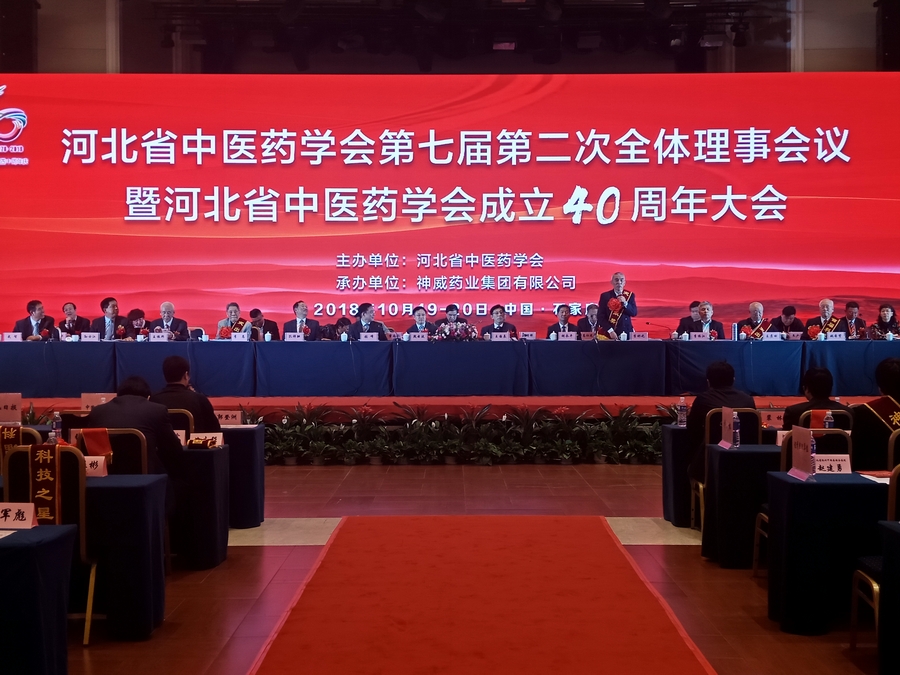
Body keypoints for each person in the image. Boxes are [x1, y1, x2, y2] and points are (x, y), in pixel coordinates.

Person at [83, 376, 183, 510]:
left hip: (104, 478)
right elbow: (174, 449)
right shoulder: (157, 410)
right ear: (148, 397)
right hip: (146, 478)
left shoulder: (98, 411)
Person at [686, 361, 756, 482]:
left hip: (709, 464)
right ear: (733, 379)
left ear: (708, 381)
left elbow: (692, 430)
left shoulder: (703, 400)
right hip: (746, 461)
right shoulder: (748, 400)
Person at [149, 356, 221, 434]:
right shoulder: (199, 399)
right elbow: (214, 430)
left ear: (164, 376)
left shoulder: (153, 400)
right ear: (186, 375)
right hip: (194, 442)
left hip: (163, 442)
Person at [851, 357, 900, 470]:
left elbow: (856, 457)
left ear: (879, 386)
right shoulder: (865, 412)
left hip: (874, 478)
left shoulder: (864, 413)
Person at [782, 367, 851, 430]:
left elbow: (787, 437)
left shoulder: (793, 412)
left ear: (807, 389)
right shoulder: (847, 413)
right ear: (831, 388)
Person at [598, 272, 637, 338]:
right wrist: (610, 331)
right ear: (612, 282)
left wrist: (625, 303)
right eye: (616, 280)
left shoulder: (630, 295)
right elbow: (600, 316)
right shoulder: (605, 296)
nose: (619, 282)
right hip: (611, 332)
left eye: (621, 280)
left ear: (624, 283)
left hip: (626, 331)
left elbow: (634, 313)